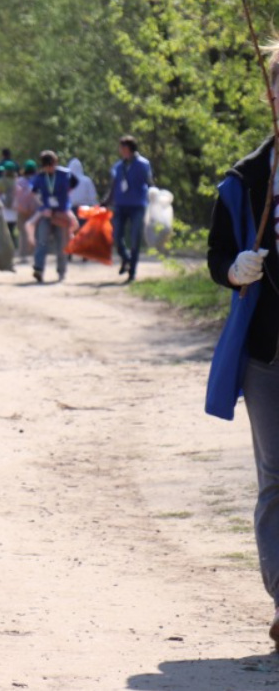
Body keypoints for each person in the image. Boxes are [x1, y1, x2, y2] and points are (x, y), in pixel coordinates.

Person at [206, 44, 279, 644]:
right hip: (268, 350)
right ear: (271, 95)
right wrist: (236, 270)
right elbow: (214, 258)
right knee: (276, 477)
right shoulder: (245, 179)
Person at [107, 136, 153, 282]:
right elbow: (114, 186)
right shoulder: (118, 166)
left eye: (122, 147)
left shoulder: (143, 164)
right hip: (120, 205)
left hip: (138, 205)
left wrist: (154, 198)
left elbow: (150, 183)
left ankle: (132, 271)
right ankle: (126, 258)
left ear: (129, 148)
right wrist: (107, 201)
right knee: (116, 236)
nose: (120, 150)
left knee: (135, 238)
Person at [30, 150, 72, 284]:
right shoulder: (40, 177)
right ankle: (39, 269)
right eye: (46, 166)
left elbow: (74, 185)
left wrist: (65, 201)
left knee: (61, 243)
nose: (49, 168)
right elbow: (34, 194)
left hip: (60, 213)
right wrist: (42, 206)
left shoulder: (65, 174)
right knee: (42, 241)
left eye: (51, 165)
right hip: (46, 213)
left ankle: (61, 271)